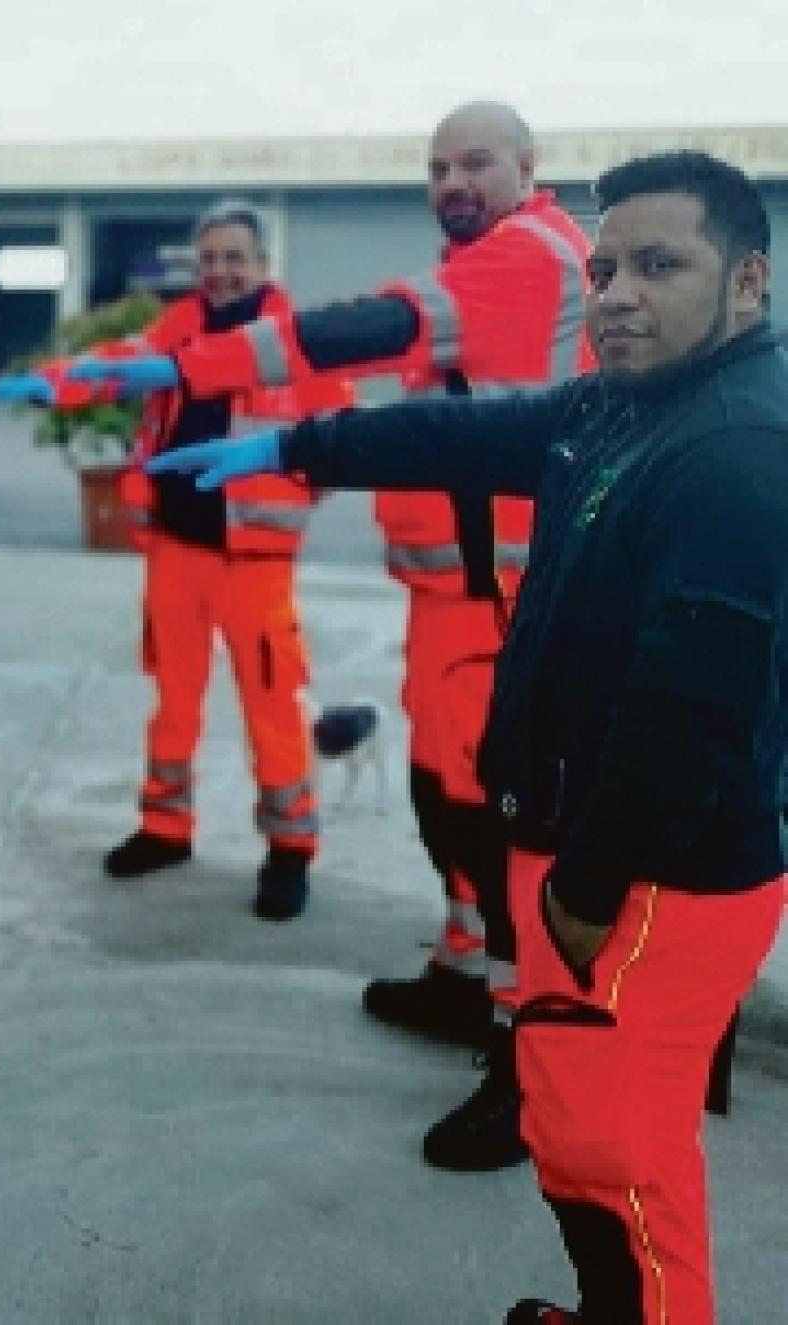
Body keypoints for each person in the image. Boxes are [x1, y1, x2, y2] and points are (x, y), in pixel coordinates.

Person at [152, 148, 787, 1325]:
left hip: (645, 881)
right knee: (595, 1132)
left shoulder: (737, 449)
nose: (616, 294)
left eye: (659, 264)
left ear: (746, 282)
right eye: (603, 268)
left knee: (614, 1154)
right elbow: (465, 436)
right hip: (588, 852)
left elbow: (694, 702)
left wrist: (587, 886)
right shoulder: (626, 402)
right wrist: (297, 448)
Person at [71, 101, 593, 1172]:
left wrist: (191, 370)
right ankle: (463, 978)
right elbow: (422, 426)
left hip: (503, 602)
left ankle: (527, 1067)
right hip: (452, 597)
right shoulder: (501, 260)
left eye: (475, 160)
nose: (451, 179)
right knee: (446, 805)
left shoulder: (523, 258)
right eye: (436, 164)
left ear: (527, 168)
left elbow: (367, 330)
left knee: (498, 831)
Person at [0, 202, 352, 919]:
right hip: (176, 552)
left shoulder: (295, 338)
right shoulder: (177, 326)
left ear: (261, 265)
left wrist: (288, 492)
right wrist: (55, 380)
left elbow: (336, 434)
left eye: (234, 258)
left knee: (272, 704)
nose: (220, 271)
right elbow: (117, 366)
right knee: (173, 698)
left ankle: (289, 850)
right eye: (209, 258)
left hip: (254, 560)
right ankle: (165, 825)